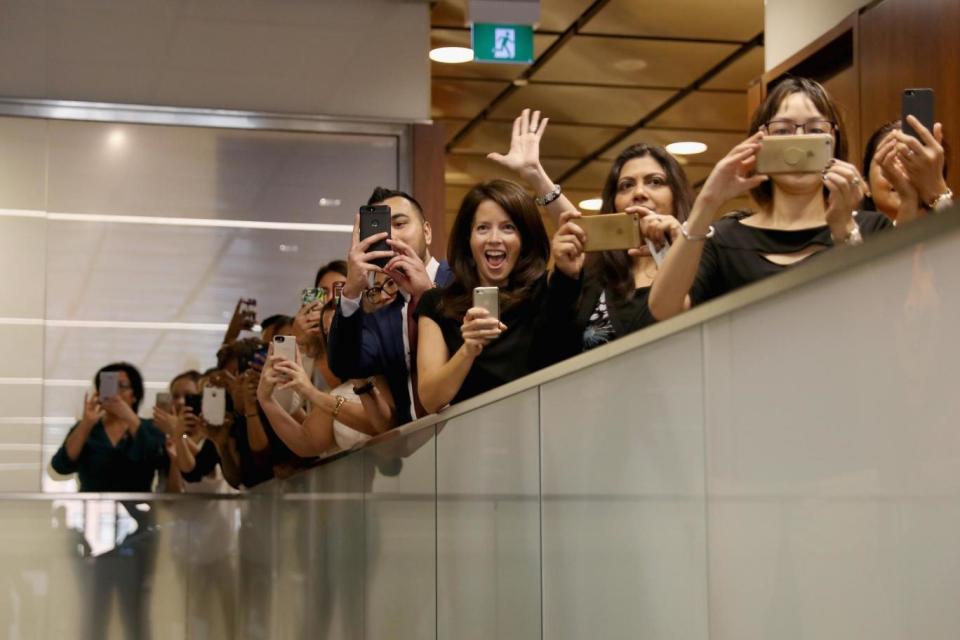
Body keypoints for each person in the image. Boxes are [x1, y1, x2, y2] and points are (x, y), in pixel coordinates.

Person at [648, 77, 895, 320]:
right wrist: (707, 202)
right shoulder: (723, 239)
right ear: (759, 142)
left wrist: (845, 230)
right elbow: (664, 309)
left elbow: (881, 316)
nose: (798, 142)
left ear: (834, 140)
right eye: (783, 131)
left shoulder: (870, 228)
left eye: (816, 131)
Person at [488, 108, 694, 354]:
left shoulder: (704, 257)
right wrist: (535, 174)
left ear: (676, 194)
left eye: (655, 181)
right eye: (626, 185)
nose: (639, 192)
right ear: (614, 202)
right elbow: (579, 227)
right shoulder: (598, 274)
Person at [415, 179, 579, 412]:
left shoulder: (547, 291)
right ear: (468, 240)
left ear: (524, 239)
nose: (494, 239)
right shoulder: (437, 304)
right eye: (482, 228)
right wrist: (468, 350)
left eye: (508, 227)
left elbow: (584, 238)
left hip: (542, 432)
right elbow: (431, 399)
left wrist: (536, 174)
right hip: (472, 439)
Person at [327, 187, 454, 424]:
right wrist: (352, 289)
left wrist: (429, 296)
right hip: (416, 447)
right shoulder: (380, 318)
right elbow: (346, 364)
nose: (390, 238)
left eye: (400, 224)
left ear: (427, 232)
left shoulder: (463, 282)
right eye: (382, 229)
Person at [258, 300, 395, 456]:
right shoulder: (339, 393)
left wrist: (310, 392)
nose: (334, 338)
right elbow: (307, 442)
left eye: (340, 327)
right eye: (327, 332)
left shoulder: (389, 375)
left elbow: (381, 425)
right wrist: (265, 399)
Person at [51, 362, 174, 492]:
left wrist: (129, 417)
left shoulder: (151, 427)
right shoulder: (88, 428)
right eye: (109, 386)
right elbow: (60, 466)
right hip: (92, 508)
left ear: (135, 395)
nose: (115, 393)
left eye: (122, 386)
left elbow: (155, 457)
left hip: (139, 508)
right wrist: (86, 424)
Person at [861, 117, 952, 223]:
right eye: (890, 160)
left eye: (911, 161)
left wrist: (938, 195)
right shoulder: (850, 232)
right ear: (866, 184)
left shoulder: (947, 235)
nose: (901, 175)